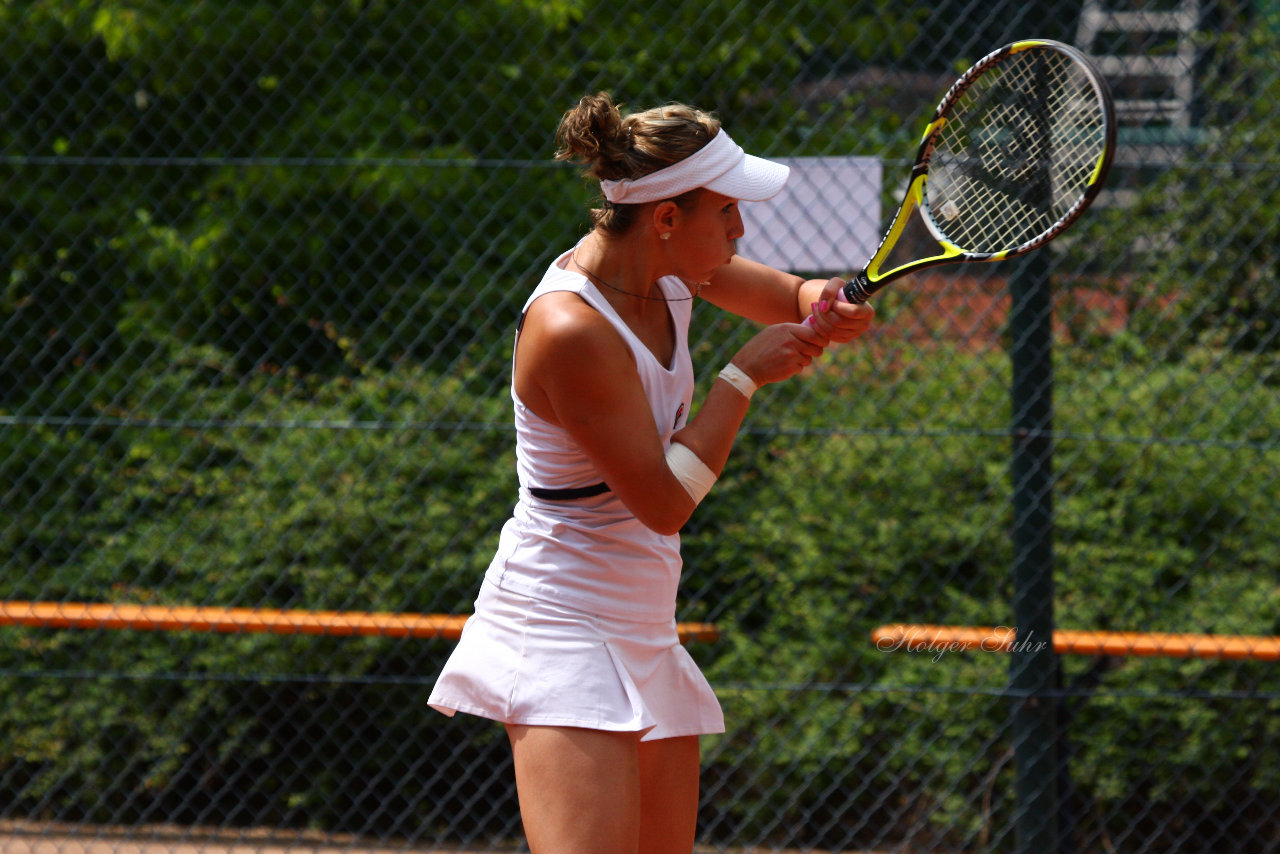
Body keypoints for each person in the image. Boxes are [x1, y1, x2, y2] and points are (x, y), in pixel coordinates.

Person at [428, 92, 874, 854]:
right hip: (560, 627)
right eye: (727, 212)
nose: (739, 228)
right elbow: (662, 504)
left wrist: (816, 300)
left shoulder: (666, 269)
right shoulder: (571, 329)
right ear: (666, 219)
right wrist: (741, 379)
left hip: (642, 621)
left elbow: (783, 295)